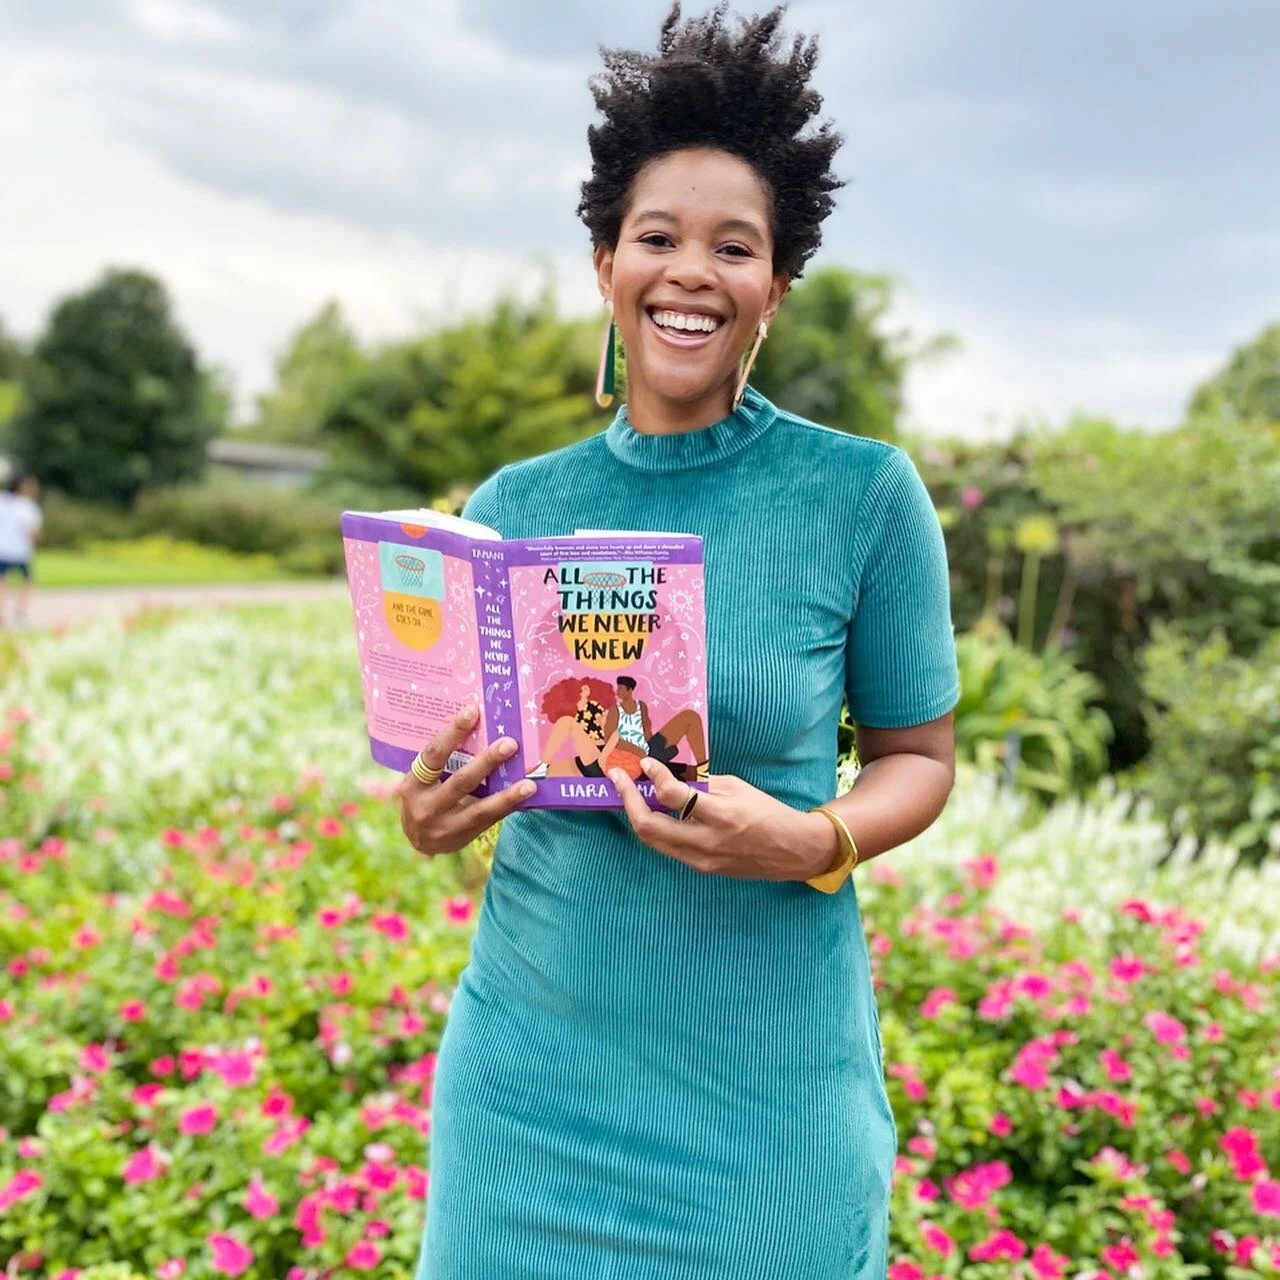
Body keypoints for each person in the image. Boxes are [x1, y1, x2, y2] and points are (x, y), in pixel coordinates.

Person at [395, 7, 959, 1277]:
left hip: (766, 1100)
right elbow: (480, 756)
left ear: (776, 285)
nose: (689, 271)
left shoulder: (861, 495)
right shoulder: (511, 505)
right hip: (526, 1092)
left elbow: (919, 756)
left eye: (733, 246)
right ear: (606, 262)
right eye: (656, 237)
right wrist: (432, 814)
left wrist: (810, 839)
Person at [0, 473, 43, 630]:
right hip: (19, 551)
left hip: (2, 549)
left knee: (2, 582)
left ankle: (2, 616)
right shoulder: (27, 506)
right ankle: (19, 615)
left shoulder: (2, 500)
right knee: (27, 581)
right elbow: (31, 532)